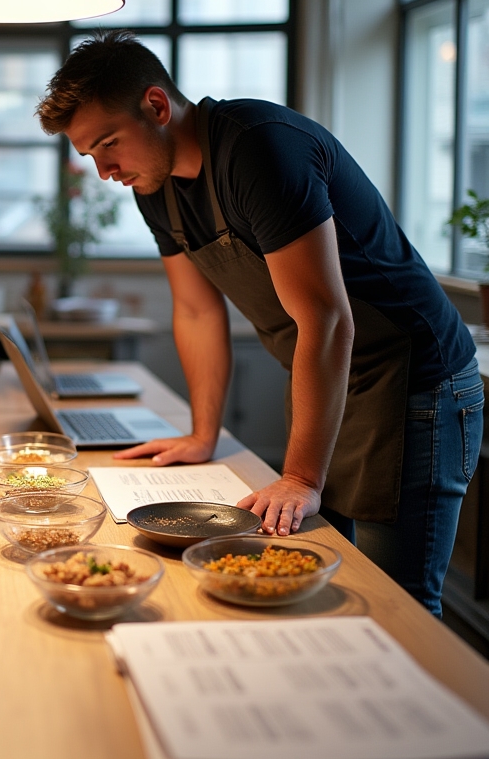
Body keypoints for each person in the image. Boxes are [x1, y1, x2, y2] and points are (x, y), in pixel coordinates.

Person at [37, 31, 481, 617]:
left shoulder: (258, 149)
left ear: (156, 106)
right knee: (331, 587)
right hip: (336, 386)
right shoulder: (156, 186)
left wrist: (298, 476)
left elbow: (325, 317)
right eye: (90, 155)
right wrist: (202, 434)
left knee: (397, 608)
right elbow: (196, 311)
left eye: (109, 144)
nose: (104, 171)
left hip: (414, 387)